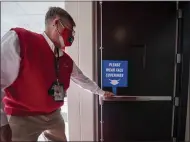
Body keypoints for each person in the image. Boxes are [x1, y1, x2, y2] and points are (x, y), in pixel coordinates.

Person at [0, 7, 114, 142]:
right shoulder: (21, 40)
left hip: (54, 116)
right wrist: (2, 123)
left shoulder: (65, 60)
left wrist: (101, 92)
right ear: (57, 23)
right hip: (23, 117)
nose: (72, 35)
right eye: (70, 29)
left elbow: (82, 79)